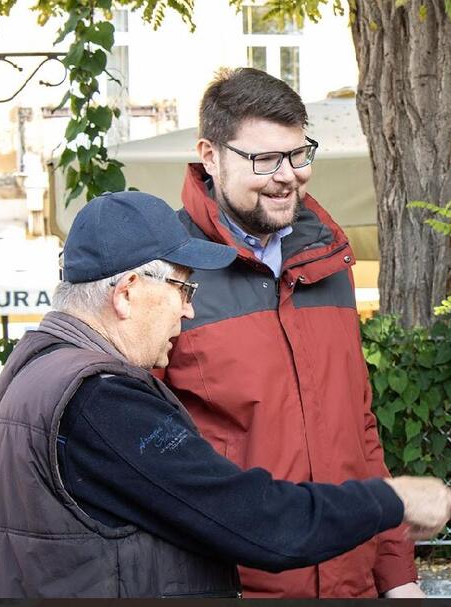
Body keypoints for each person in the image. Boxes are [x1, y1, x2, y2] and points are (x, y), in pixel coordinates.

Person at [0, 192, 451, 598]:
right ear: (127, 292)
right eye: (183, 288)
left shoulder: (36, 370)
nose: (188, 313)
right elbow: (258, 522)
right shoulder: (101, 401)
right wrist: (391, 498)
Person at [160, 67, 422, 598]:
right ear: (210, 156)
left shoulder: (329, 259)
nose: (289, 175)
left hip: (352, 582)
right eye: (265, 160)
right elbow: (146, 456)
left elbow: (360, 427)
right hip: (234, 586)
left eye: (300, 154)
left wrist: (397, 575)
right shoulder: (165, 269)